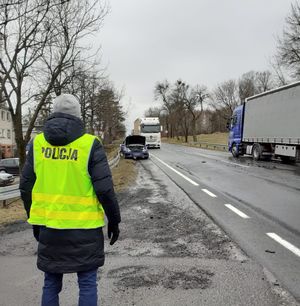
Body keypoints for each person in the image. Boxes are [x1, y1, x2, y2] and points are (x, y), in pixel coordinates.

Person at [20, 94, 121, 306]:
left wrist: (35, 219)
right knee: (87, 283)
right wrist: (114, 219)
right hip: (85, 228)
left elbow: (26, 187)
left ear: (53, 113)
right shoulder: (90, 144)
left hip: (49, 226)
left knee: (50, 282)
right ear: (78, 115)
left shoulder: (37, 144)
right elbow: (104, 189)